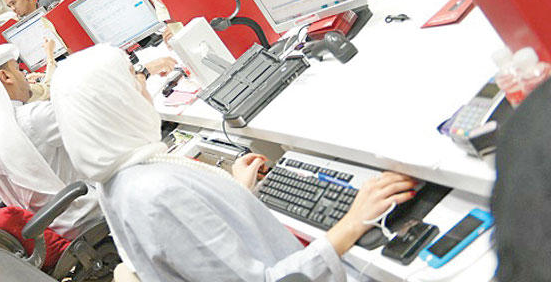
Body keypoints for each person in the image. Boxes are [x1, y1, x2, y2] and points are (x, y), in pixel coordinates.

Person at [51, 44, 418, 282]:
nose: (144, 86)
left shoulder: (118, 179)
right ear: (115, 104)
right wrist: (352, 223)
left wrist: (235, 193)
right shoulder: (155, 195)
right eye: (134, 79)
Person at [0, 44, 101, 239]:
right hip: (87, 213)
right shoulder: (32, 118)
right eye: (19, 69)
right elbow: (98, 114)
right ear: (6, 77)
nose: (25, 76)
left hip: (52, 226)